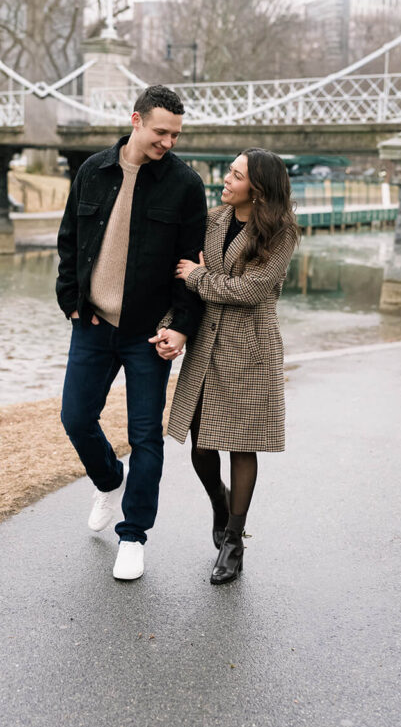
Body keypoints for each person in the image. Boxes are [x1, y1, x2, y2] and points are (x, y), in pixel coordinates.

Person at [55, 85, 207, 582]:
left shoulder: (185, 185)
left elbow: (191, 267)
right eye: (161, 131)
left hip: (149, 333)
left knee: (146, 438)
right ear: (136, 120)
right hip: (93, 323)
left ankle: (133, 535)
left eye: (176, 134)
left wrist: (181, 327)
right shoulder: (92, 170)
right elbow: (69, 242)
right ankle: (107, 478)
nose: (168, 141)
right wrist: (71, 303)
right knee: (76, 417)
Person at [162, 148, 300, 584]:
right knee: (202, 445)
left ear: (257, 190)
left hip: (249, 349)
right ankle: (221, 507)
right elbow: (188, 279)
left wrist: (198, 277)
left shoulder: (281, 233)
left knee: (241, 445)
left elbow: (253, 290)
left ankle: (234, 541)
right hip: (207, 343)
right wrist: (173, 323)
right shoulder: (215, 218)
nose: (226, 179)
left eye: (236, 175)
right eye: (230, 171)